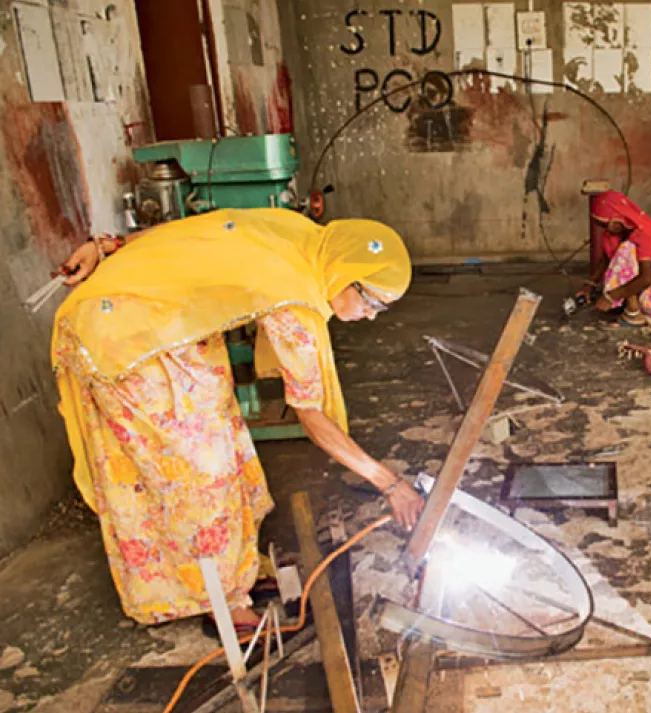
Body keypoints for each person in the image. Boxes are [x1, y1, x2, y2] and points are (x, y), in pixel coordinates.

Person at [52, 208, 425, 630]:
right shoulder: (294, 299)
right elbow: (311, 416)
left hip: (172, 325)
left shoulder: (303, 238)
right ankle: (219, 598)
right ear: (346, 273)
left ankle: (237, 566)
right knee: (199, 472)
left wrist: (108, 246)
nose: (371, 315)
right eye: (370, 300)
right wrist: (388, 483)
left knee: (228, 442)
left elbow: (203, 229)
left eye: (383, 307)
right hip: (122, 335)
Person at [579, 191, 651, 326]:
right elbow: (606, 259)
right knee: (622, 251)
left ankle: (633, 314)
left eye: (606, 224)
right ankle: (629, 302)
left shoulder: (642, 235)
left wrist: (611, 297)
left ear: (618, 217)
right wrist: (589, 285)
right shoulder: (619, 232)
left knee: (626, 251)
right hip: (650, 289)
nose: (605, 229)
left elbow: (647, 278)